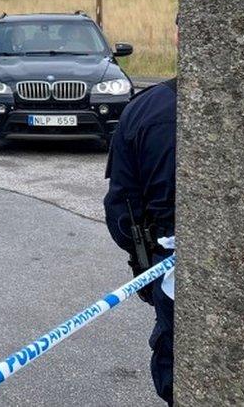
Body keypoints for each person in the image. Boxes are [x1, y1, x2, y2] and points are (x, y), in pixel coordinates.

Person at [103, 23, 178, 405]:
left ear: (179, 36)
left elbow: (121, 208)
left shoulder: (147, 109)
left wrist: (142, 262)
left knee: (178, 370)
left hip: (168, 270)